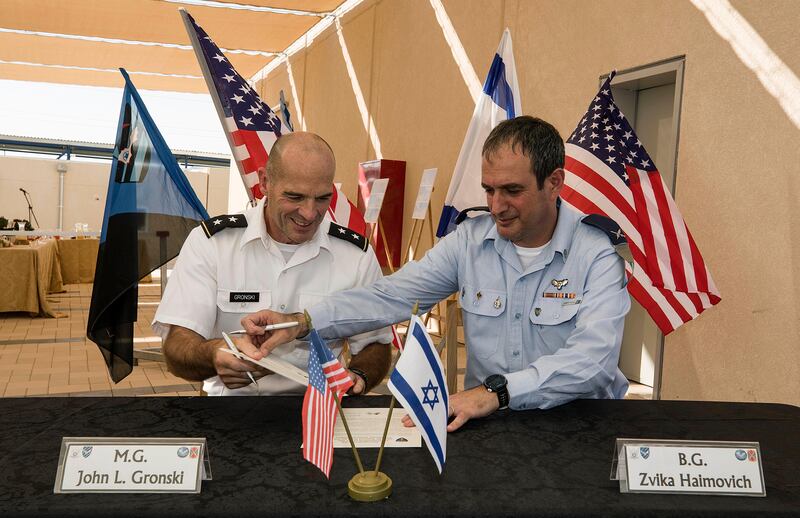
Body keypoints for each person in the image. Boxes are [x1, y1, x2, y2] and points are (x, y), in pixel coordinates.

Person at [239, 116, 630, 429]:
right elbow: (391, 296)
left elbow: (592, 361)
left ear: (554, 182)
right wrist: (302, 322)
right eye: (489, 190)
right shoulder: (471, 242)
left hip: (578, 427)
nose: (496, 206)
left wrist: (497, 392)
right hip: (489, 425)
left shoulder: (595, 253)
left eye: (512, 190)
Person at [152, 131, 392, 396]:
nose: (310, 213)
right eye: (295, 197)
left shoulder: (355, 255)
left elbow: (376, 344)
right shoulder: (213, 243)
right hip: (229, 408)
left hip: (318, 413)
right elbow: (177, 348)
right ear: (265, 181)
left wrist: (358, 377)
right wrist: (213, 353)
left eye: (323, 198)